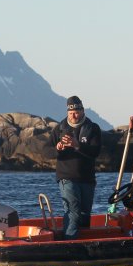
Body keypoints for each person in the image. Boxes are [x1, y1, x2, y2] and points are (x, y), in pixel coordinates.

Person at [50, 95, 102, 239]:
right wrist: (58, 148)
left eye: (77, 112)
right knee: (73, 210)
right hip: (67, 177)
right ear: (67, 112)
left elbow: (95, 151)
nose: (74, 115)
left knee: (85, 213)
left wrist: (77, 145)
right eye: (71, 113)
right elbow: (46, 150)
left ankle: (85, 244)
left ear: (83, 111)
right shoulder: (59, 129)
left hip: (87, 178)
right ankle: (70, 242)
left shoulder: (92, 128)